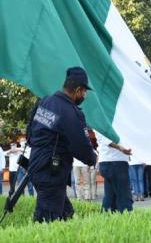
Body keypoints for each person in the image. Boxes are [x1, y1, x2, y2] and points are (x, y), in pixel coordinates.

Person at [27, 67, 98, 222]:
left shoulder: (44, 101)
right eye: (84, 91)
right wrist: (93, 159)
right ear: (78, 90)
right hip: (51, 171)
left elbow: (29, 133)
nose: (85, 95)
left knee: (66, 213)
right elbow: (81, 146)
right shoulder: (71, 112)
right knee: (47, 220)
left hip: (36, 165)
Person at [95, 130, 133, 213]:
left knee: (110, 196)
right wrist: (120, 148)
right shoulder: (103, 122)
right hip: (115, 162)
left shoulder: (102, 121)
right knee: (124, 196)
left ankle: (106, 219)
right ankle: (126, 220)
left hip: (109, 162)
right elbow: (107, 140)